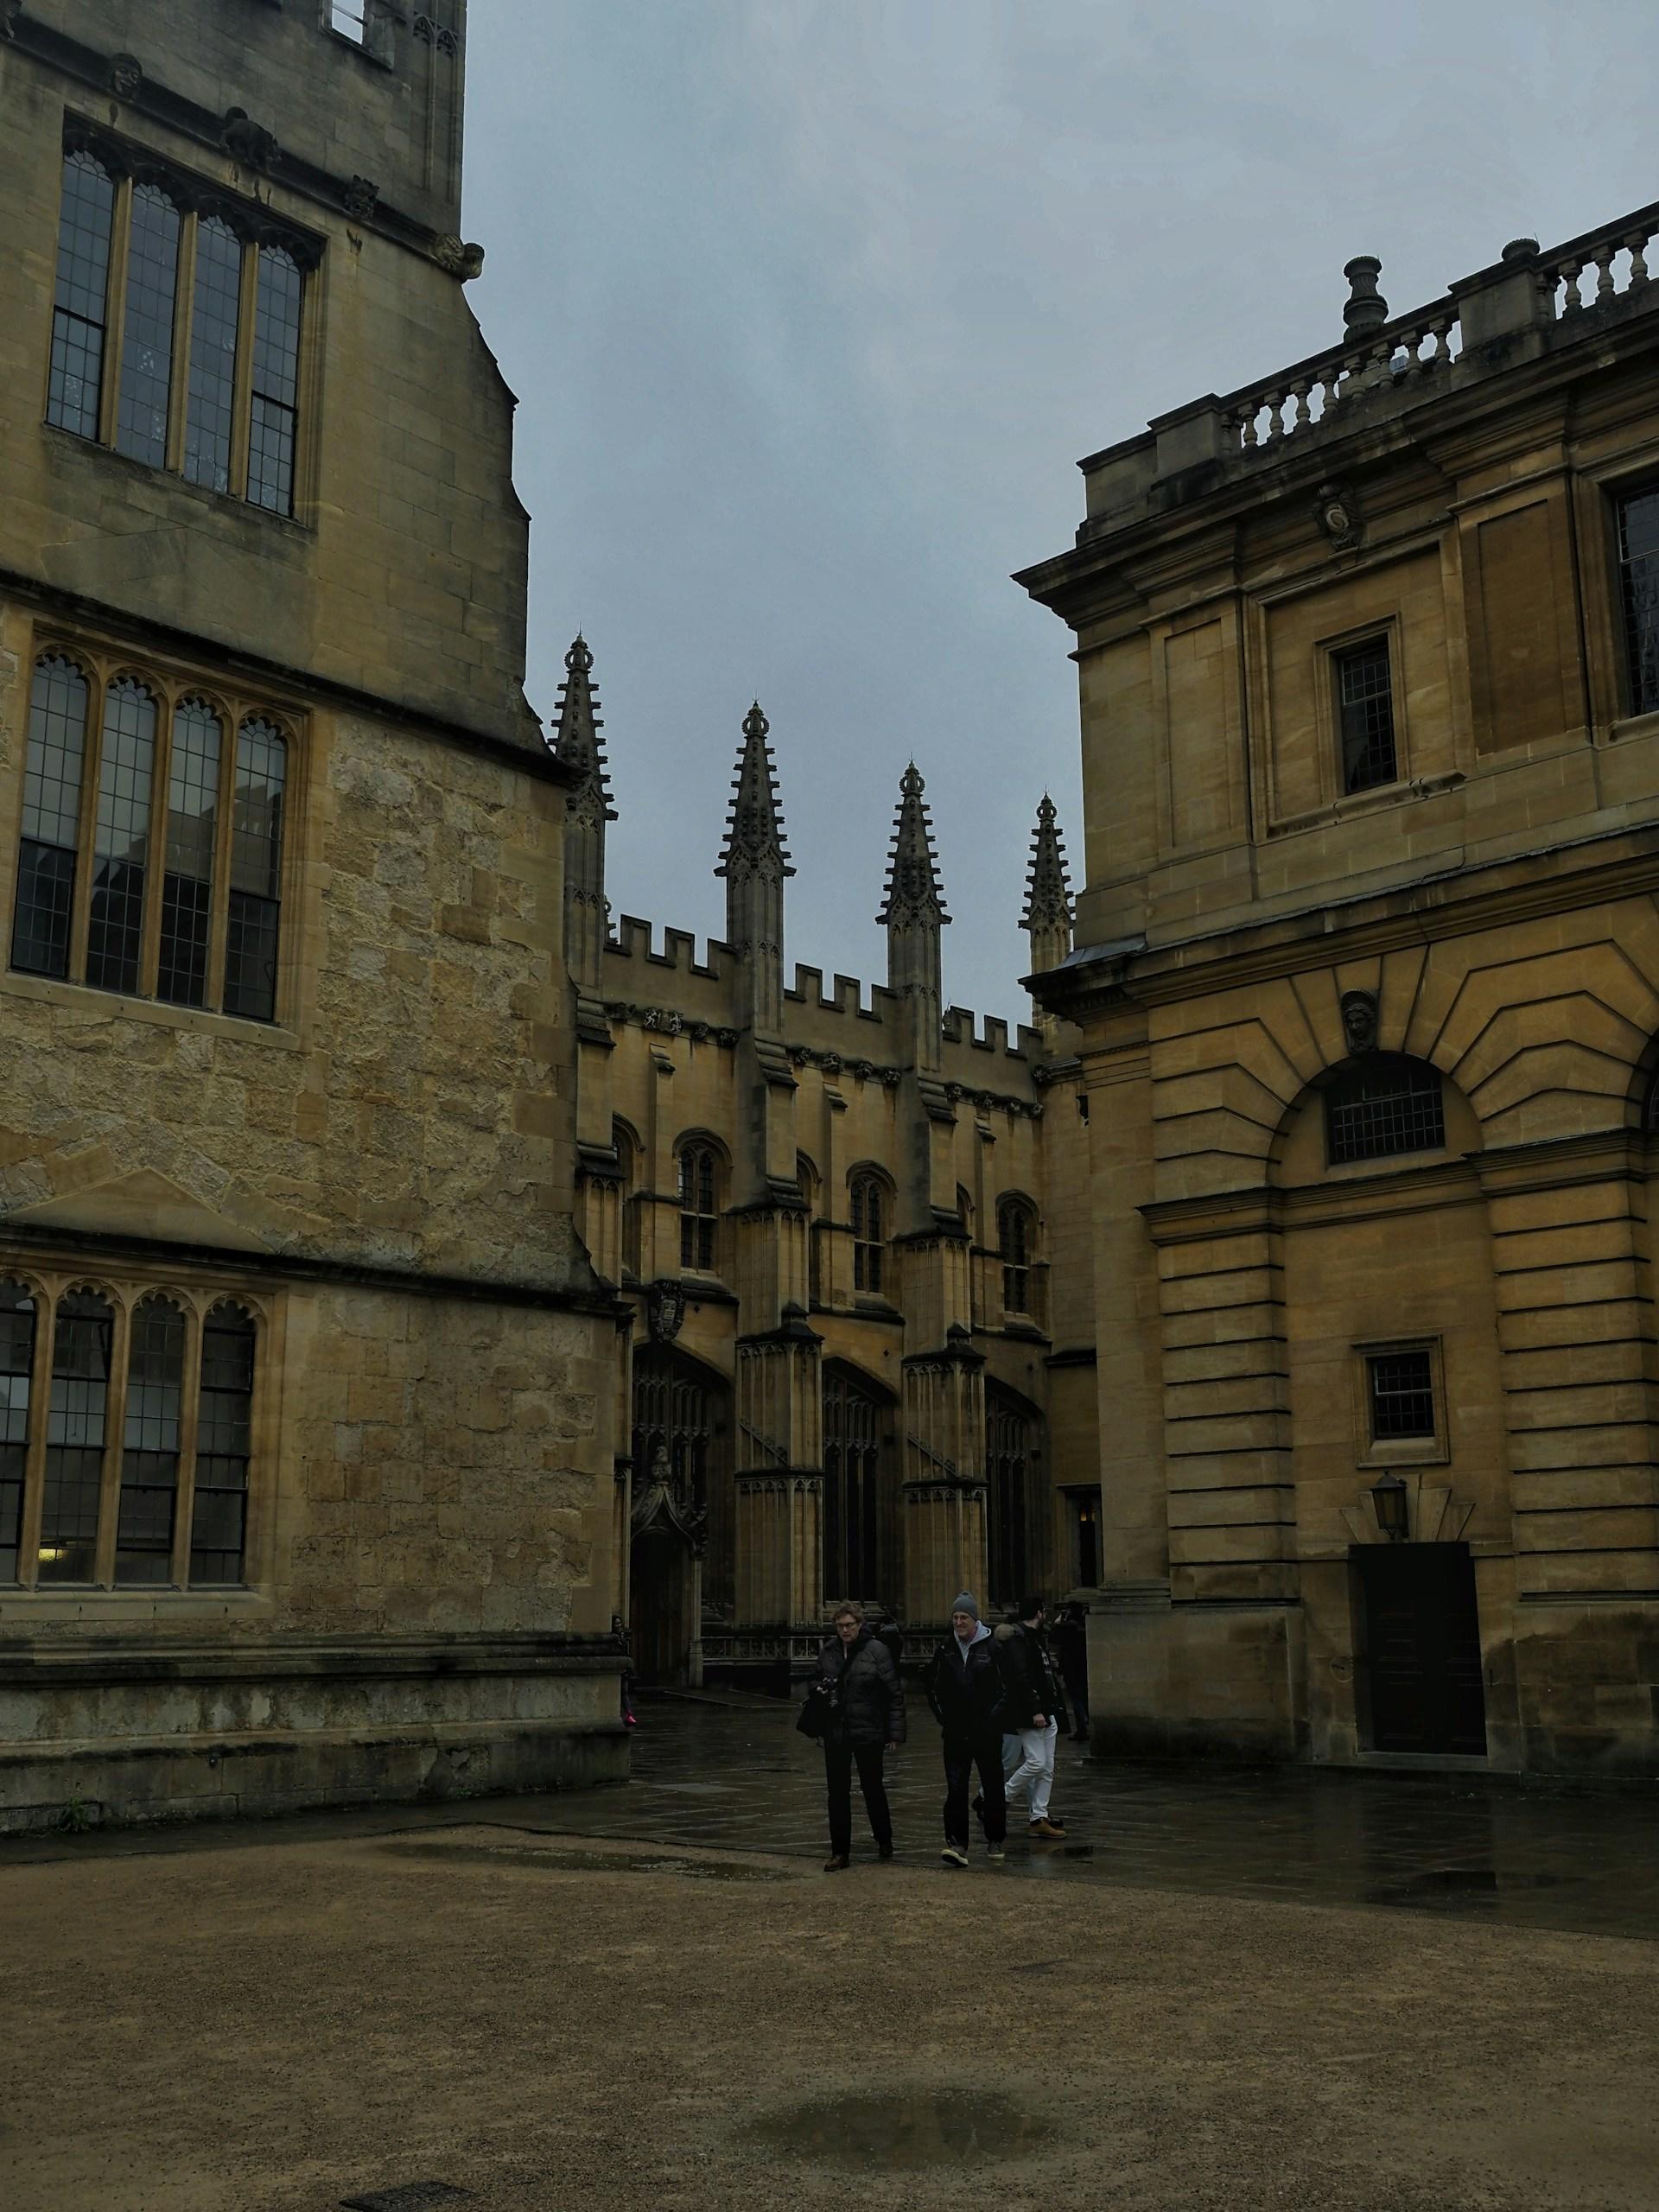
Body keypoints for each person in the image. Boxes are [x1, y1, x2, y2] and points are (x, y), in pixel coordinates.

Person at [923, 1592, 1013, 1868]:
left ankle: (995, 1838)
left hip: (986, 1731)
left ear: (975, 1620)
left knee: (993, 1786)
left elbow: (1007, 1690)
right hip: (956, 1731)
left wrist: (991, 1720)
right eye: (955, 1617)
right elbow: (934, 1688)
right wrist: (944, 1718)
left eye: (964, 1617)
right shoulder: (946, 1648)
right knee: (956, 1788)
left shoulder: (993, 1648)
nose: (959, 1622)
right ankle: (957, 1843)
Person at [816, 1603, 905, 1872]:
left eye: (850, 1625)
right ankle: (840, 1851)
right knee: (837, 1793)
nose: (845, 1630)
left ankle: (884, 1838)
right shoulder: (829, 1651)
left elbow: (894, 1693)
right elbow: (816, 1686)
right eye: (840, 1626)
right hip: (838, 1731)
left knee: (873, 1787)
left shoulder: (877, 1651)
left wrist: (895, 1733)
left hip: (868, 1729)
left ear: (859, 1625)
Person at [996, 1595, 1067, 1839]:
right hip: (1030, 1711)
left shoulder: (1036, 1637)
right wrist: (1035, 1709)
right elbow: (1021, 1677)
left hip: (1047, 1709)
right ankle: (1000, 1798)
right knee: (1036, 1762)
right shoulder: (1019, 1639)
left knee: (1047, 1766)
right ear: (1039, 1613)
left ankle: (1039, 1816)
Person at [1055, 1600, 1090, 1744]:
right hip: (1082, 1666)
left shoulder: (1069, 1626)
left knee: (1076, 1699)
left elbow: (1055, 1636)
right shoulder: (1083, 1624)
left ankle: (1082, 1729)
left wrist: (1058, 1622)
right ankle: (1086, 1726)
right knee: (1083, 1698)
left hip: (1072, 1668)